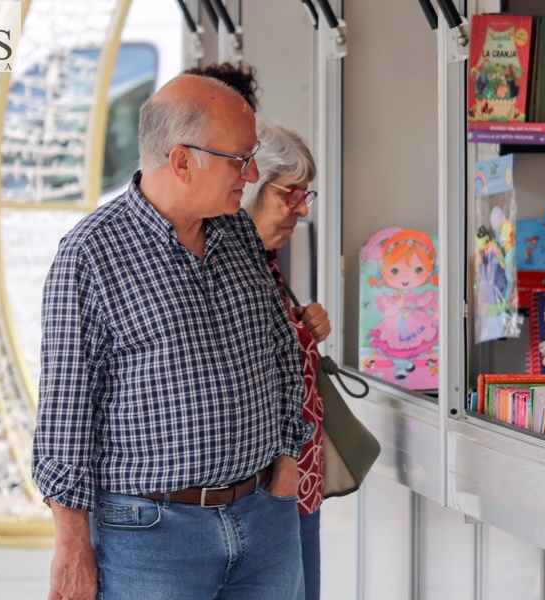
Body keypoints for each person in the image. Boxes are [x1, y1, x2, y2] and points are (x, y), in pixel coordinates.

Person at [32, 74, 312, 600]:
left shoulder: (237, 233)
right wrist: (71, 546)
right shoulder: (91, 255)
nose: (251, 174)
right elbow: (65, 415)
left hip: (264, 521)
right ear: (182, 160)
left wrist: (286, 463)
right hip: (149, 539)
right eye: (239, 159)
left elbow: (280, 352)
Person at [189, 62, 331, 600]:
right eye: (287, 195)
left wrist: (303, 326)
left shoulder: (269, 263)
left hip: (296, 482)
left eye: (304, 197)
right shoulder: (225, 263)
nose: (298, 211)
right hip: (267, 489)